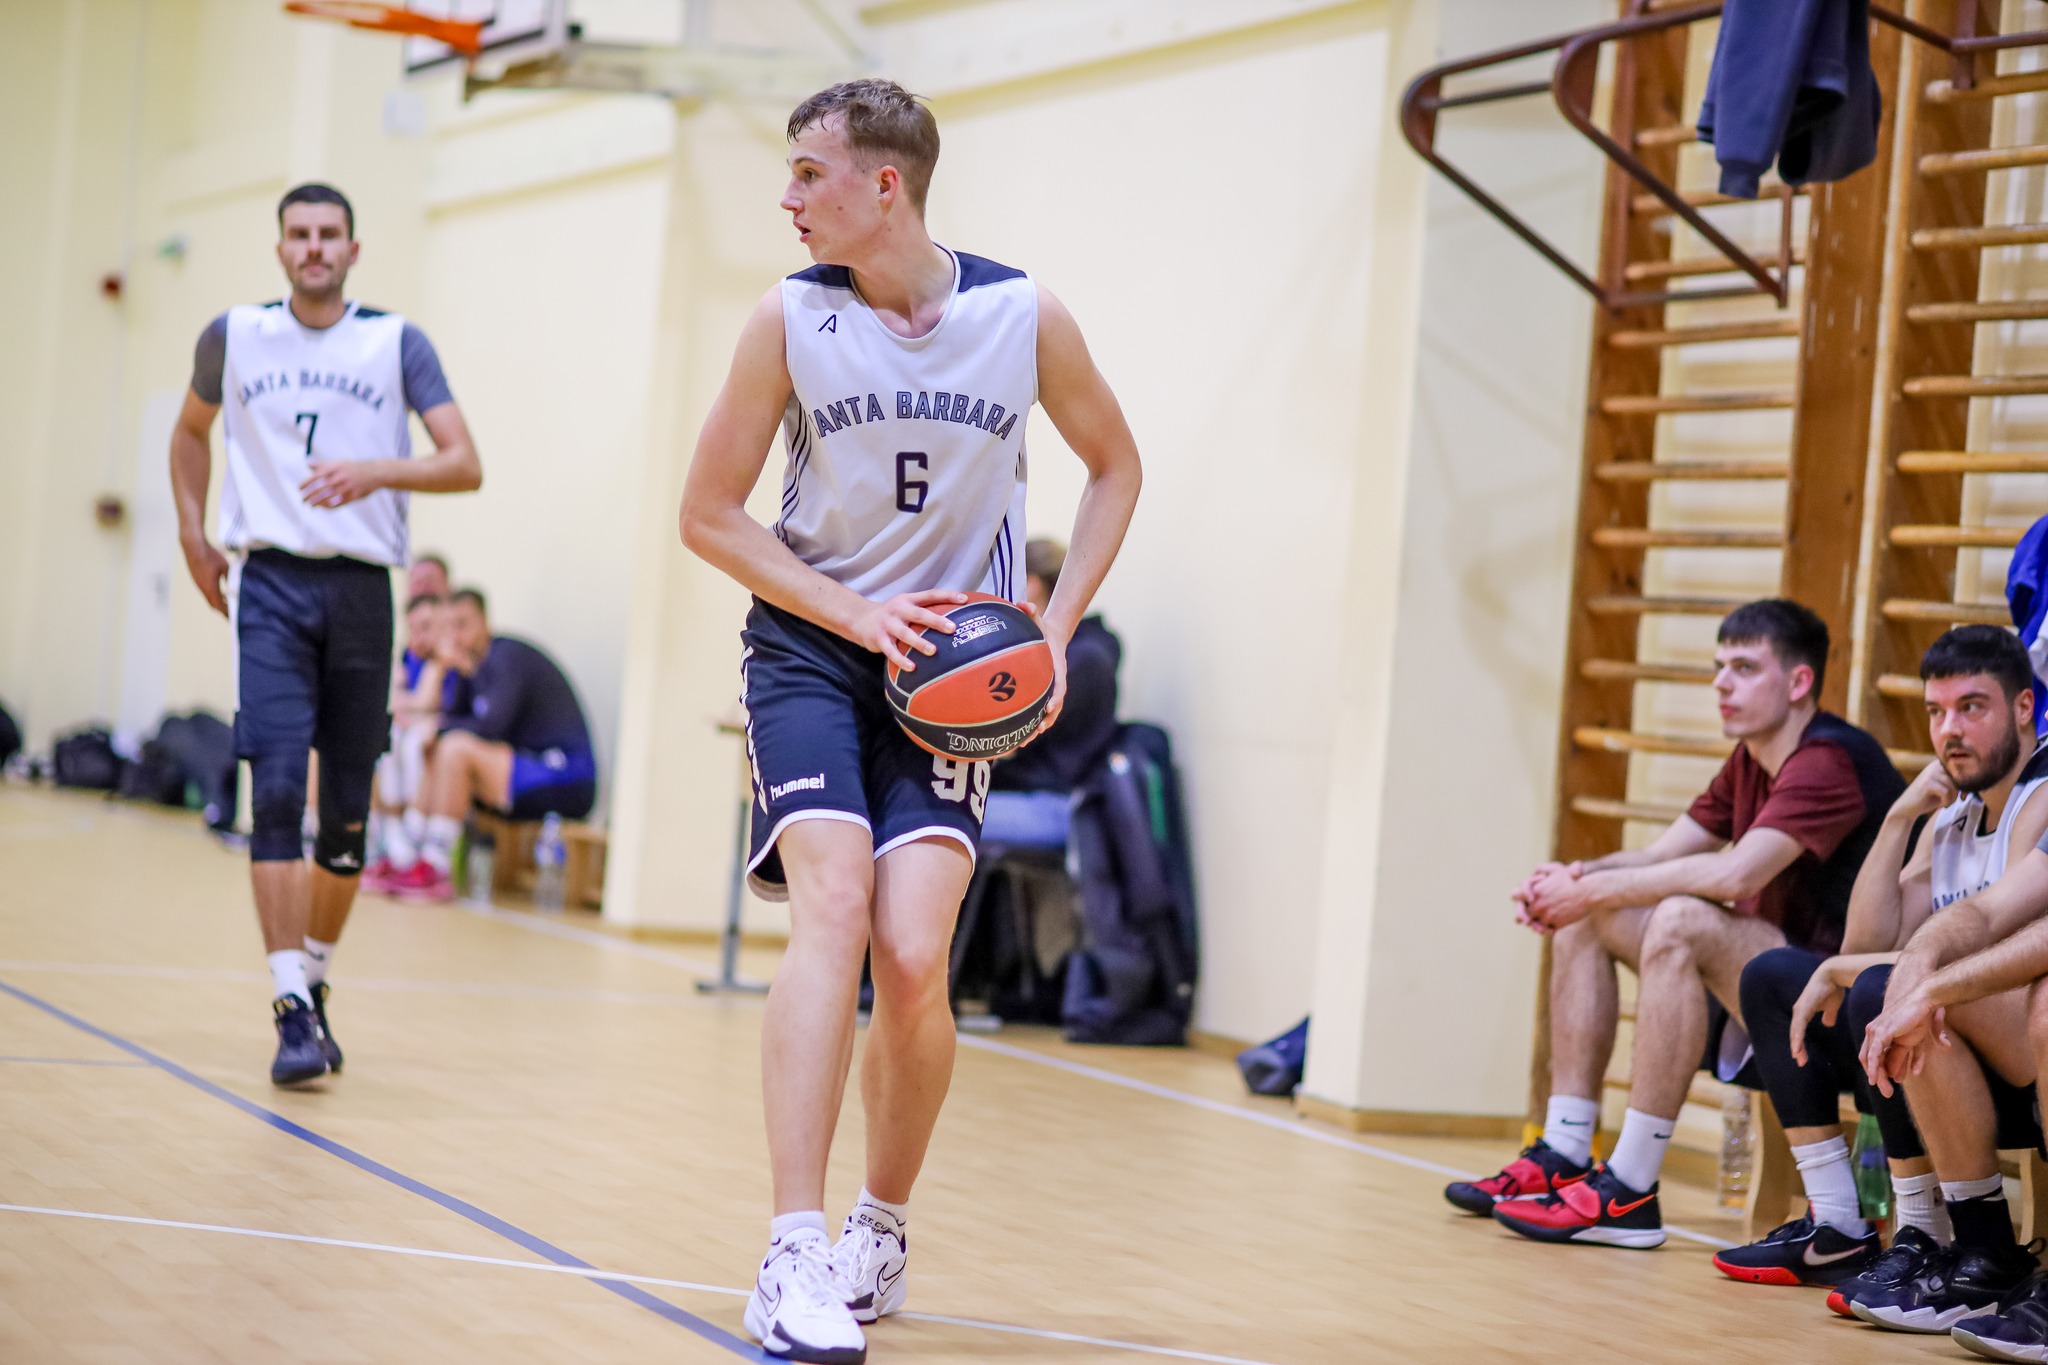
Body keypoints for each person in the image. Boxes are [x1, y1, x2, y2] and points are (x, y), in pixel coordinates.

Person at [678, 79, 1142, 1364]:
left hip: (947, 677)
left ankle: (878, 1226)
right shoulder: (787, 317)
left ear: (884, 184)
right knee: (831, 908)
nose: (786, 196)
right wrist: (852, 612)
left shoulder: (1021, 314)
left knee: (915, 955)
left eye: (806, 172)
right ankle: (790, 1249)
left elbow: (1116, 468)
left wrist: (1053, 628)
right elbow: (707, 514)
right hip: (810, 650)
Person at [1448, 599, 1904, 1248]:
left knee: (1682, 919)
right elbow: (1662, 856)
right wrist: (1572, 879)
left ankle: (1630, 1188)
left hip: (1836, 1004)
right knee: (1590, 915)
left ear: (1799, 681)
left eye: (1743, 667)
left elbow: (1736, 876)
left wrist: (1588, 887)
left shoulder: (1829, 759)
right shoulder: (1751, 759)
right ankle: (1565, 1150)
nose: (1721, 683)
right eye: (1719, 667)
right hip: (1763, 985)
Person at [168, 182, 482, 1086]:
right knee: (274, 789)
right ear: (280, 250)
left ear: (353, 249)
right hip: (270, 582)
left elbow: (464, 461)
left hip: (360, 590)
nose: (313, 246)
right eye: (299, 234)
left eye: (329, 234)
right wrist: (193, 534)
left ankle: (314, 981)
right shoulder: (234, 336)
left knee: (346, 814)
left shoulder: (395, 342)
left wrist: (374, 471)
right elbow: (189, 435)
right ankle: (288, 1006)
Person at [1713, 626, 2048, 1299]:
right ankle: (1839, 1221)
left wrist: (1853, 972)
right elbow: (1866, 935)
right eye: (1936, 712)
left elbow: (1997, 946)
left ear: (2022, 708)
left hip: (2019, 1050)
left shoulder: (2036, 797)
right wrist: (1899, 818)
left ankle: (1933, 1232)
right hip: (1946, 1039)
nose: (1950, 730)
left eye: (1971, 708)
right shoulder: (1951, 813)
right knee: (1774, 977)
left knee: (1878, 986)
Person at [378, 588, 597, 902]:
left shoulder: (508, 657)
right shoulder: (469, 668)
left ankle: (437, 867)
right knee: (436, 744)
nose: (456, 636)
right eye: (450, 628)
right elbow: (449, 720)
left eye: (463, 624)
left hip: (566, 776)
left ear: (485, 623)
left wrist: (439, 725)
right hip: (520, 771)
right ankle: (410, 857)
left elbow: (492, 728)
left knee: (455, 748)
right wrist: (445, 670)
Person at [980, 537, 1122, 848]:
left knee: (938, 820)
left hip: (1059, 802)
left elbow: (1007, 745)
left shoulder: (1083, 659)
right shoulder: (1066, 651)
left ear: (1031, 586)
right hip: (1028, 791)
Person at [363, 592, 450, 884]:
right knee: (388, 738)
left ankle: (413, 839)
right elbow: (391, 698)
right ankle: (391, 838)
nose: (418, 637)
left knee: (413, 744)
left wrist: (405, 705)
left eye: (426, 627)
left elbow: (425, 702)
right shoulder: (409, 658)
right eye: (413, 629)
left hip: (437, 736)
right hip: (409, 730)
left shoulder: (445, 661)